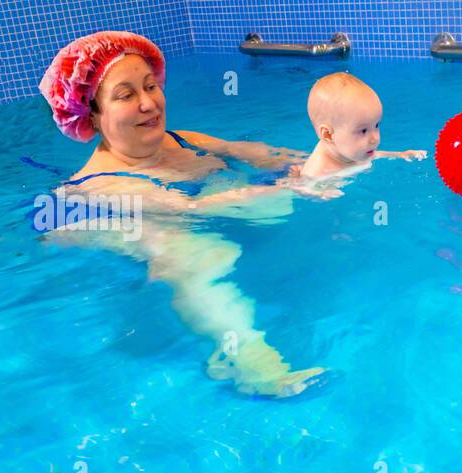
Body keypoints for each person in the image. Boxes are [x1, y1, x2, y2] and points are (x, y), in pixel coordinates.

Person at [39, 30, 331, 397]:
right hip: (90, 222)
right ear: (92, 115)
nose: (148, 103)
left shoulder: (181, 139)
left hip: (190, 207)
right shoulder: (100, 184)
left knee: (271, 211)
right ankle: (248, 361)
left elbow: (256, 153)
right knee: (188, 251)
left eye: (150, 86)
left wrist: (323, 161)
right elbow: (188, 208)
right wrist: (283, 189)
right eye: (126, 95)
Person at [297, 72, 427, 181]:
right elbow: (301, 187)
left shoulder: (353, 151)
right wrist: (318, 193)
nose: (374, 138)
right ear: (328, 135)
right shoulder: (316, 171)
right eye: (363, 131)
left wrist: (399, 154)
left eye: (376, 125)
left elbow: (375, 155)